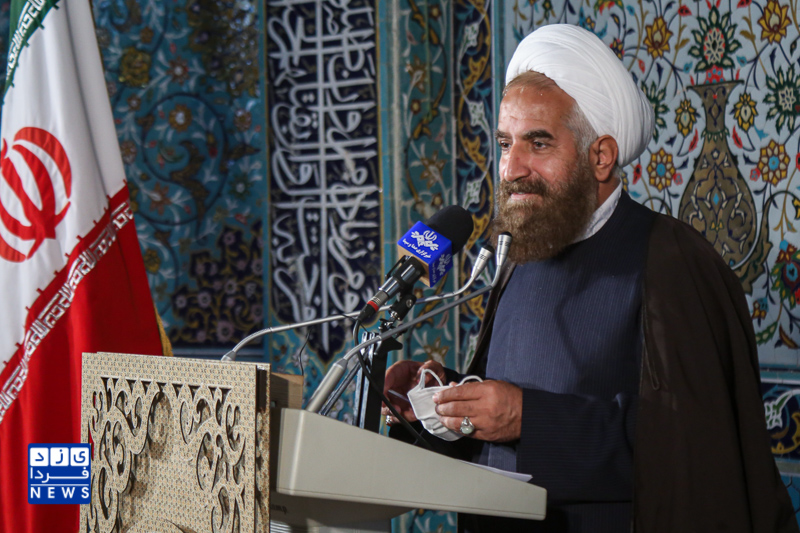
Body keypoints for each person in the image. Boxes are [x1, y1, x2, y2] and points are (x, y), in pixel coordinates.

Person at [382, 24, 798, 533]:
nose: (511, 168)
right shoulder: (520, 255)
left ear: (600, 156)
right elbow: (501, 426)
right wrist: (441, 402)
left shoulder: (671, 259)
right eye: (506, 143)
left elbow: (694, 448)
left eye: (538, 143)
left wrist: (527, 419)